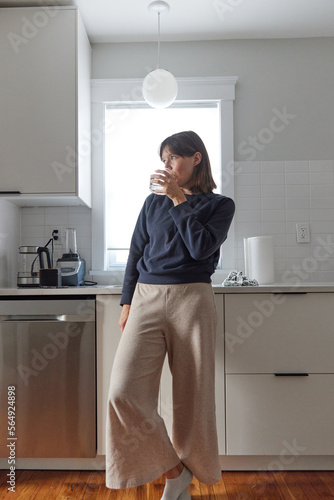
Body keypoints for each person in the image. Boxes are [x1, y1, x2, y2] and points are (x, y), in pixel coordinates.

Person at [105, 130, 235, 500]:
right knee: (122, 393)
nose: (167, 166)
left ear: (195, 158)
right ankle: (175, 471)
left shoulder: (220, 205)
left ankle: (190, 475)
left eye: (172, 158)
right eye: (163, 160)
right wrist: (127, 302)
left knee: (191, 399)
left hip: (192, 300)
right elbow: (135, 252)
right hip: (146, 297)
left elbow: (200, 249)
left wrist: (179, 200)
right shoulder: (152, 204)